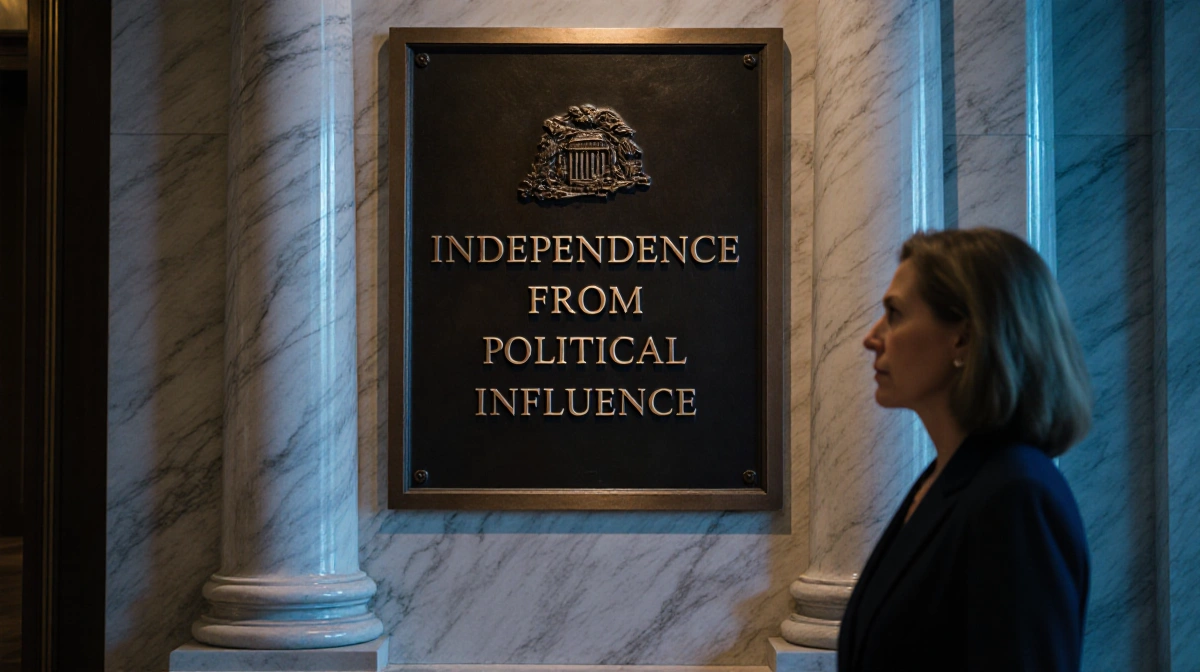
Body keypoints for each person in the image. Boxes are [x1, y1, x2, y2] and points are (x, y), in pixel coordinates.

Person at [838, 228, 1092, 671]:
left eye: (894, 314)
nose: (872, 337)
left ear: (963, 338)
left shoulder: (1017, 497)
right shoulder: (948, 478)